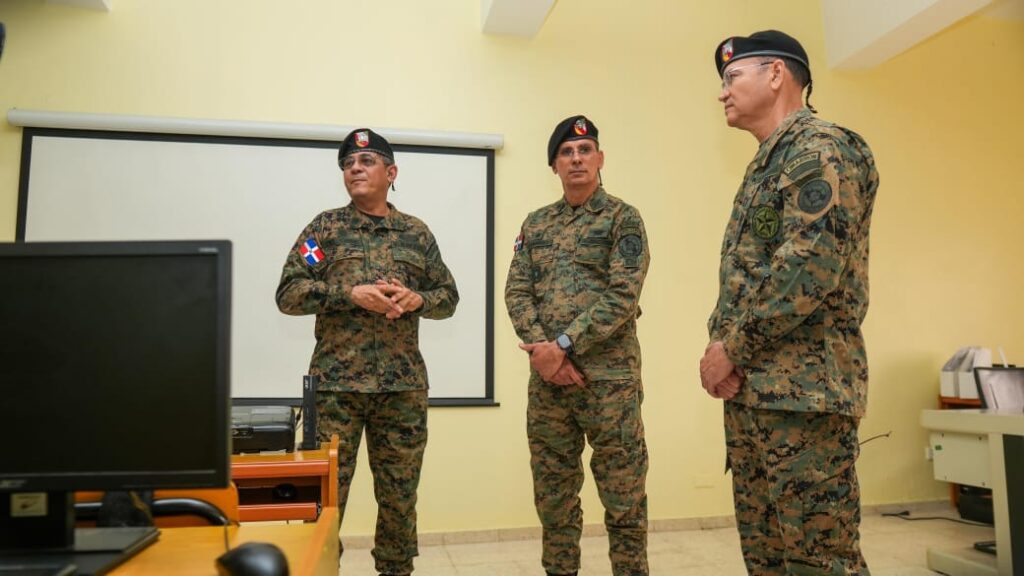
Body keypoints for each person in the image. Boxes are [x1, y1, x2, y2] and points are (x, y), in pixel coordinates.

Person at [700, 30, 879, 575]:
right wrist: (719, 346)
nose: (723, 93)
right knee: (768, 558)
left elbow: (809, 267)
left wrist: (730, 347)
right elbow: (747, 274)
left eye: (733, 78)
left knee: (821, 561)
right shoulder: (767, 163)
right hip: (759, 392)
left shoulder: (820, 149)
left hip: (804, 398)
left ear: (775, 74)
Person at [276, 128, 458, 576]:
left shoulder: (417, 234)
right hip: (337, 388)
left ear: (391, 172)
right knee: (323, 497)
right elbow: (289, 293)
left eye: (366, 162)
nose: (354, 169)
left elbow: (448, 297)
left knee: (399, 498)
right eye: (348, 165)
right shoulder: (324, 230)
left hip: (402, 390)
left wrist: (419, 300)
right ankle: (319, 569)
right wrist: (348, 293)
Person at [505, 115, 651, 576]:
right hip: (549, 386)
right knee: (554, 501)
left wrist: (563, 344)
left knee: (624, 502)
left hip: (609, 385)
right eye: (566, 153)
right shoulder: (536, 224)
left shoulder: (623, 219)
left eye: (584, 151)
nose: (576, 159)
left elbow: (623, 295)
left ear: (600, 159)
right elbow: (516, 291)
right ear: (554, 166)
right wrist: (545, 353)